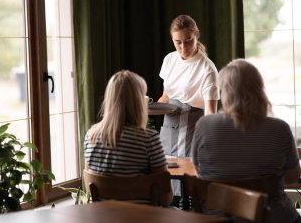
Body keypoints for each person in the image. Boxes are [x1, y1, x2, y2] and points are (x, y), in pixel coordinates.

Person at [191, 59, 301, 223]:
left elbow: (199, 170)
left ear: (225, 92)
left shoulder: (204, 125)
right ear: (259, 90)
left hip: (217, 218)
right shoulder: (279, 128)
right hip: (272, 218)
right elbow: (293, 177)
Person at [84, 70, 173, 206]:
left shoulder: (91, 136)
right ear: (139, 102)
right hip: (141, 217)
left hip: (101, 217)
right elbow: (165, 196)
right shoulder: (149, 138)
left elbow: (90, 186)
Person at [158, 14, 219, 158]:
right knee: (165, 176)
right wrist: (144, 110)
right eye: (178, 42)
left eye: (188, 41)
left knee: (187, 178)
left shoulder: (207, 69)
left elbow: (210, 113)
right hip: (169, 129)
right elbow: (166, 97)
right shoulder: (169, 59)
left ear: (197, 35)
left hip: (192, 132)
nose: (183, 47)